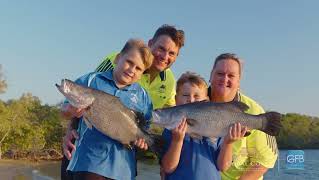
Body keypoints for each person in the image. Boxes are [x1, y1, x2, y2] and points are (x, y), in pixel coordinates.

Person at [61, 24, 185, 180]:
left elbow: (171, 113)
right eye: (161, 48)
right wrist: (69, 131)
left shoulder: (169, 83)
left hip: (123, 162)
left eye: (172, 53)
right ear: (150, 43)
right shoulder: (115, 59)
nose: (165, 56)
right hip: (88, 156)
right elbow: (87, 92)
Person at [61, 39, 154, 180]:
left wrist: (143, 140)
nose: (131, 70)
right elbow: (64, 111)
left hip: (124, 171)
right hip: (89, 164)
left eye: (138, 68)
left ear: (142, 73)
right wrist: (70, 111)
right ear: (118, 58)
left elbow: (145, 127)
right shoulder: (91, 80)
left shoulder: (143, 97)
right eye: (129, 62)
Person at [161, 72, 248, 180]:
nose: (191, 100)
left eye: (196, 96)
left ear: (206, 101)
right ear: (175, 99)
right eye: (185, 95)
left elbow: (223, 166)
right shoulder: (170, 130)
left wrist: (228, 143)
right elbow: (168, 168)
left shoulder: (218, 127)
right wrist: (177, 141)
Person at [209, 53, 278, 180]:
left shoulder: (255, 111)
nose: (224, 79)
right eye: (220, 74)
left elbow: (265, 159)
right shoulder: (195, 101)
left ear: (239, 81)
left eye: (231, 75)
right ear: (210, 76)